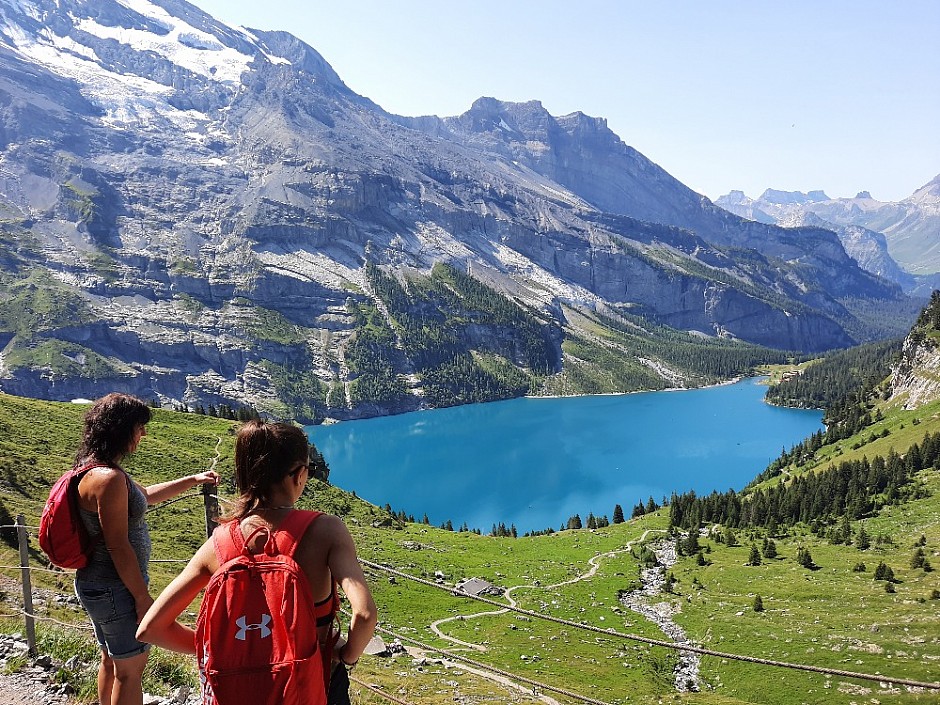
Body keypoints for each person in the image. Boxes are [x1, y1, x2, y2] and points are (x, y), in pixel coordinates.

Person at [136, 420, 377, 702]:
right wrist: (345, 657)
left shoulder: (218, 543)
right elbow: (364, 614)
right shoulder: (326, 530)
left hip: (243, 689)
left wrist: (230, 652)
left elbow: (150, 629)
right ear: (298, 475)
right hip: (315, 680)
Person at [74, 393, 220, 705]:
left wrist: (194, 479)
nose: (144, 433)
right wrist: (142, 597)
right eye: (140, 427)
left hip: (99, 584)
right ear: (122, 428)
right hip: (116, 588)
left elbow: (146, 496)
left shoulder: (99, 470)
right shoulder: (108, 478)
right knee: (131, 669)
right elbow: (117, 544)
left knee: (113, 661)